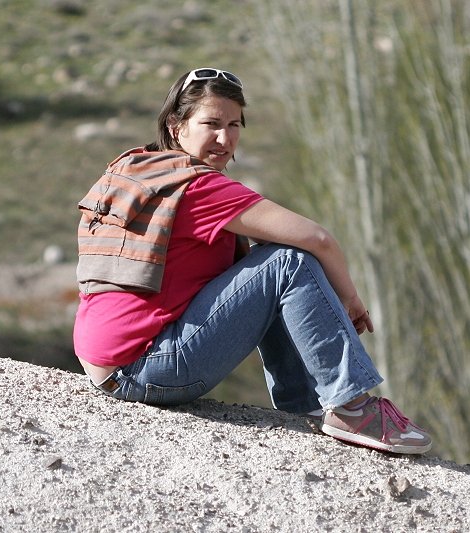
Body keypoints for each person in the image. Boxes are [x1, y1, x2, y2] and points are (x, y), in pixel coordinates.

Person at [72, 67, 431, 455]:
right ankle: (353, 407)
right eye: (211, 124)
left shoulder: (140, 169)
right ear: (176, 126)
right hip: (142, 369)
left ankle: (305, 404)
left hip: (106, 364)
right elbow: (318, 239)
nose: (224, 139)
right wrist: (350, 300)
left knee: (270, 264)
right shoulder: (197, 186)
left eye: (234, 125)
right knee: (288, 261)